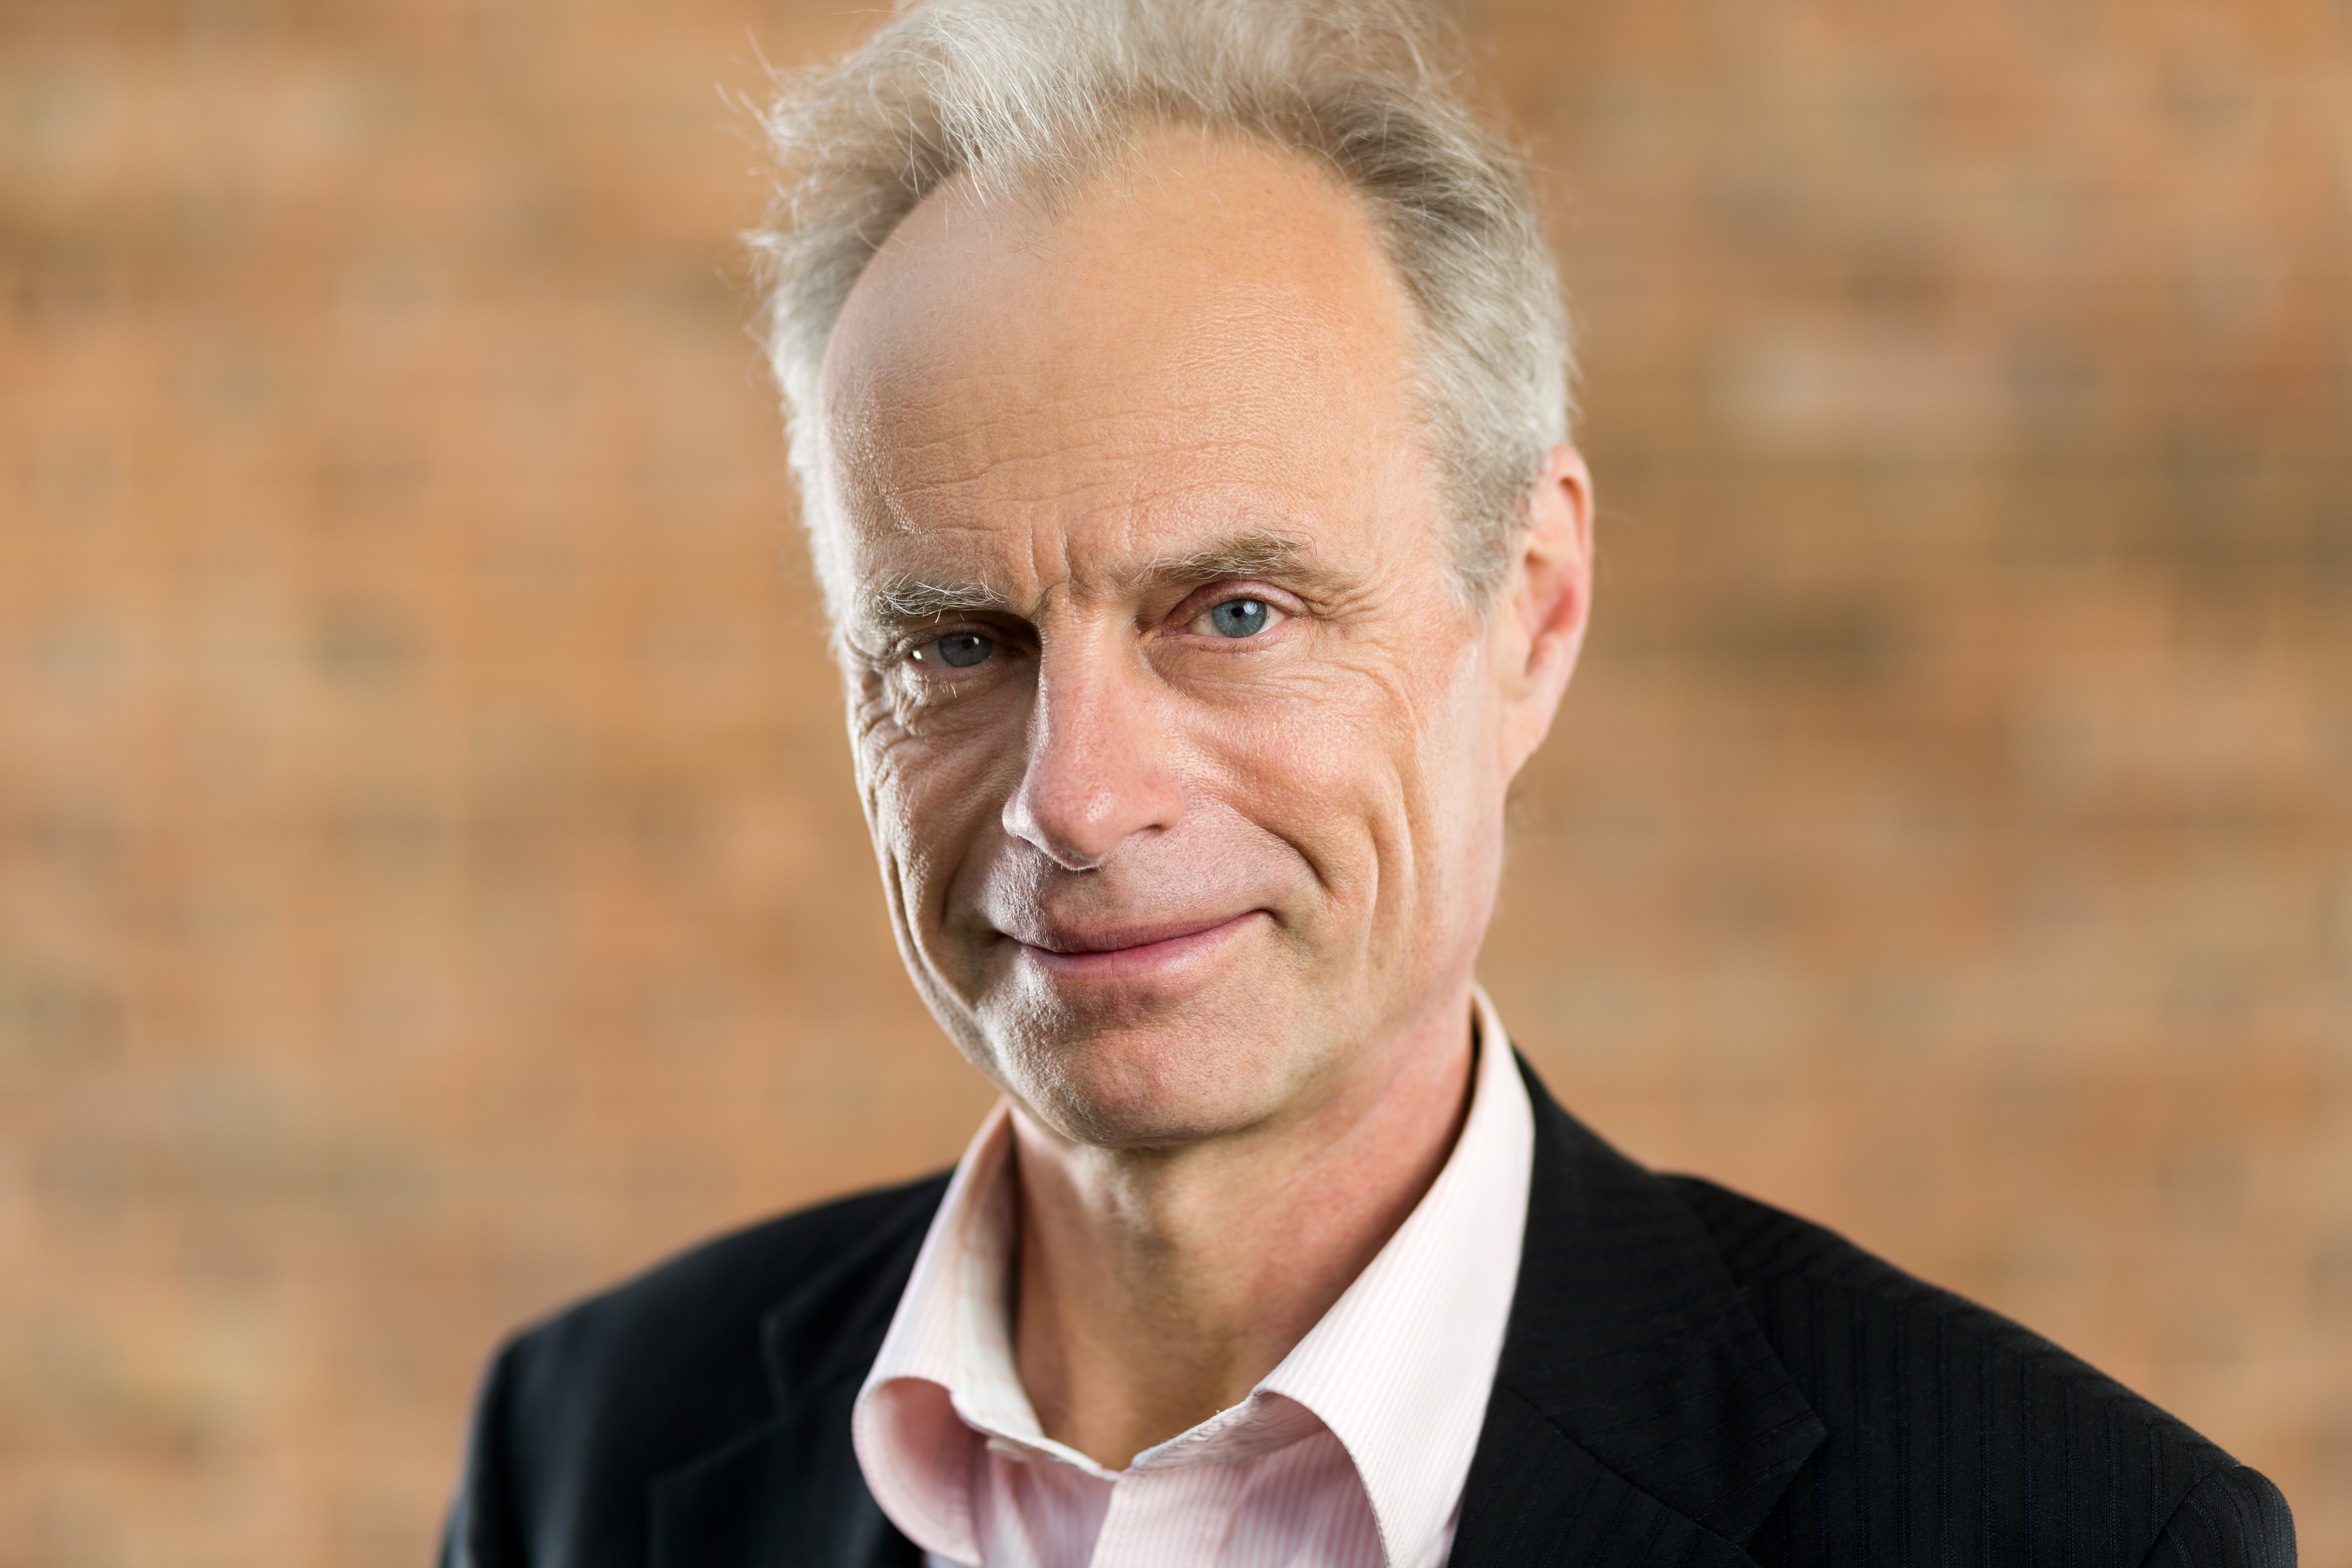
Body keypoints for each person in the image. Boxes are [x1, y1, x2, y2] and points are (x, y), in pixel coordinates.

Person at [437, 2, 2294, 1564]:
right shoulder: (589, 1457)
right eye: (957, 644)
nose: (1075, 801)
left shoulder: (2061, 1533)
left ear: (1532, 609)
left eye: (1233, 613)